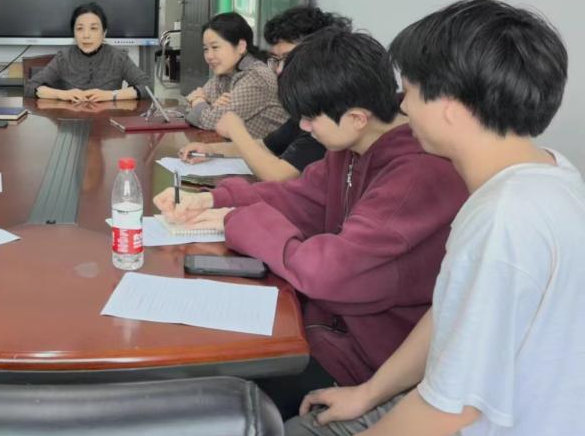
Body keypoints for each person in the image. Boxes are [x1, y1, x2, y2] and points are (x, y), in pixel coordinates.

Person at [282, 0, 584, 436]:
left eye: (410, 91)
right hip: (456, 432)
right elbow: (452, 318)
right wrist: (369, 393)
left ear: (450, 107)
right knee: (296, 432)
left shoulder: (506, 218)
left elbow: (454, 405)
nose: (401, 105)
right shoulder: (548, 176)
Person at [155, 28, 467, 415]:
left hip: (368, 362)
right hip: (325, 330)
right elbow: (301, 196)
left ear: (357, 117)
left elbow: (329, 273)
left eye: (309, 118)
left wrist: (239, 219)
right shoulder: (352, 146)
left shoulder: (415, 176)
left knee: (212, 398)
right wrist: (215, 198)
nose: (303, 128)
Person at [180, 6, 352, 180]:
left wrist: (235, 129)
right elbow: (266, 145)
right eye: (276, 60)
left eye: (288, 58)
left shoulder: (331, 113)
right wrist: (210, 149)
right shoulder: (304, 111)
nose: (279, 70)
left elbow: (279, 175)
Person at [184, 11, 289, 135]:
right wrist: (206, 106)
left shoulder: (256, 77)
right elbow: (188, 108)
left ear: (241, 46)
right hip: (232, 144)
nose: (209, 56)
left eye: (215, 47)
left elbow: (211, 121)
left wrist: (198, 102)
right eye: (206, 49)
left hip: (263, 147)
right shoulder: (225, 72)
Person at [25, 2, 151, 103]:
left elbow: (147, 86)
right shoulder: (63, 58)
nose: (86, 35)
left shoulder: (118, 57)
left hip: (108, 122)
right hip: (71, 121)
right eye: (80, 29)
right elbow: (31, 87)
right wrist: (62, 94)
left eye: (93, 28)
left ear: (104, 33)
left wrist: (111, 95)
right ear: (74, 33)